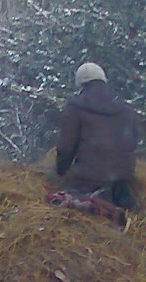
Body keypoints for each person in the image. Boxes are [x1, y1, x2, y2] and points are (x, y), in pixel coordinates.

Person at [55, 62, 140, 210]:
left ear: (81, 83)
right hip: (122, 181)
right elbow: (132, 143)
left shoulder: (76, 107)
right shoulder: (125, 108)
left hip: (88, 180)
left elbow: (65, 148)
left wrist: (61, 171)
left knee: (58, 200)